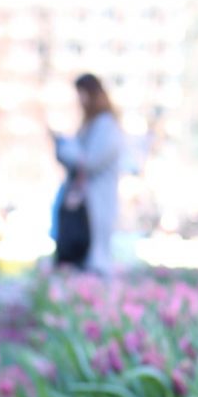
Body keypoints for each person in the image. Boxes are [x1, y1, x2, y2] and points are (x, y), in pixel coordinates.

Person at [52, 73, 123, 275]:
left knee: (95, 259)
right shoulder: (91, 125)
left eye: (82, 94)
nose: (80, 101)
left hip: (94, 205)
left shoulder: (106, 125)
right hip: (84, 205)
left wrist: (65, 148)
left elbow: (90, 162)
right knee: (81, 261)